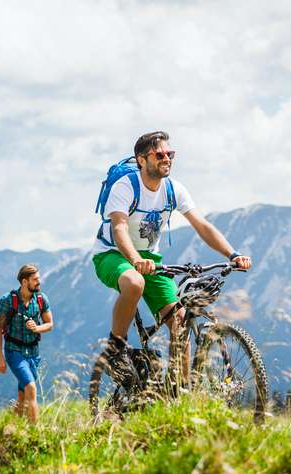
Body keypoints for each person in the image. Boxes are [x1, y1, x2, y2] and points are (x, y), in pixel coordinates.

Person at [92, 130, 252, 389]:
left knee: (179, 322)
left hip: (149, 259)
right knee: (134, 283)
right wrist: (134, 260)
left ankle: (177, 394)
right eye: (159, 154)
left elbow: (202, 225)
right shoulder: (126, 187)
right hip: (113, 254)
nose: (166, 158)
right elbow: (119, 228)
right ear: (142, 160)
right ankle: (116, 350)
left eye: (170, 154)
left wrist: (232, 254)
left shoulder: (173, 189)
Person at [0, 264, 53, 424]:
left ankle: (11, 429)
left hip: (34, 353)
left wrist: (37, 327)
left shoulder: (41, 299)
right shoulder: (8, 300)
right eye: (35, 280)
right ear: (24, 282)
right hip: (14, 351)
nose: (39, 283)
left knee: (22, 397)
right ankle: (35, 435)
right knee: (31, 388)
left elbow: (50, 324)